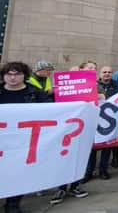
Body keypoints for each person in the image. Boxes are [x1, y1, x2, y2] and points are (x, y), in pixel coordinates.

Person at [0, 62, 52, 213]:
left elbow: (50, 112)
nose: (13, 77)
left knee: (18, 172)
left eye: (17, 74)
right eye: (9, 74)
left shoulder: (35, 93)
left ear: (24, 75)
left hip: (23, 142)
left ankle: (13, 203)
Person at [86, 66, 118, 181]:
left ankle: (103, 170)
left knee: (107, 147)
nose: (107, 74)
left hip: (109, 121)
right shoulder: (92, 84)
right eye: (104, 72)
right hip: (94, 120)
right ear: (100, 73)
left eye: (109, 72)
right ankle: (89, 172)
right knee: (92, 148)